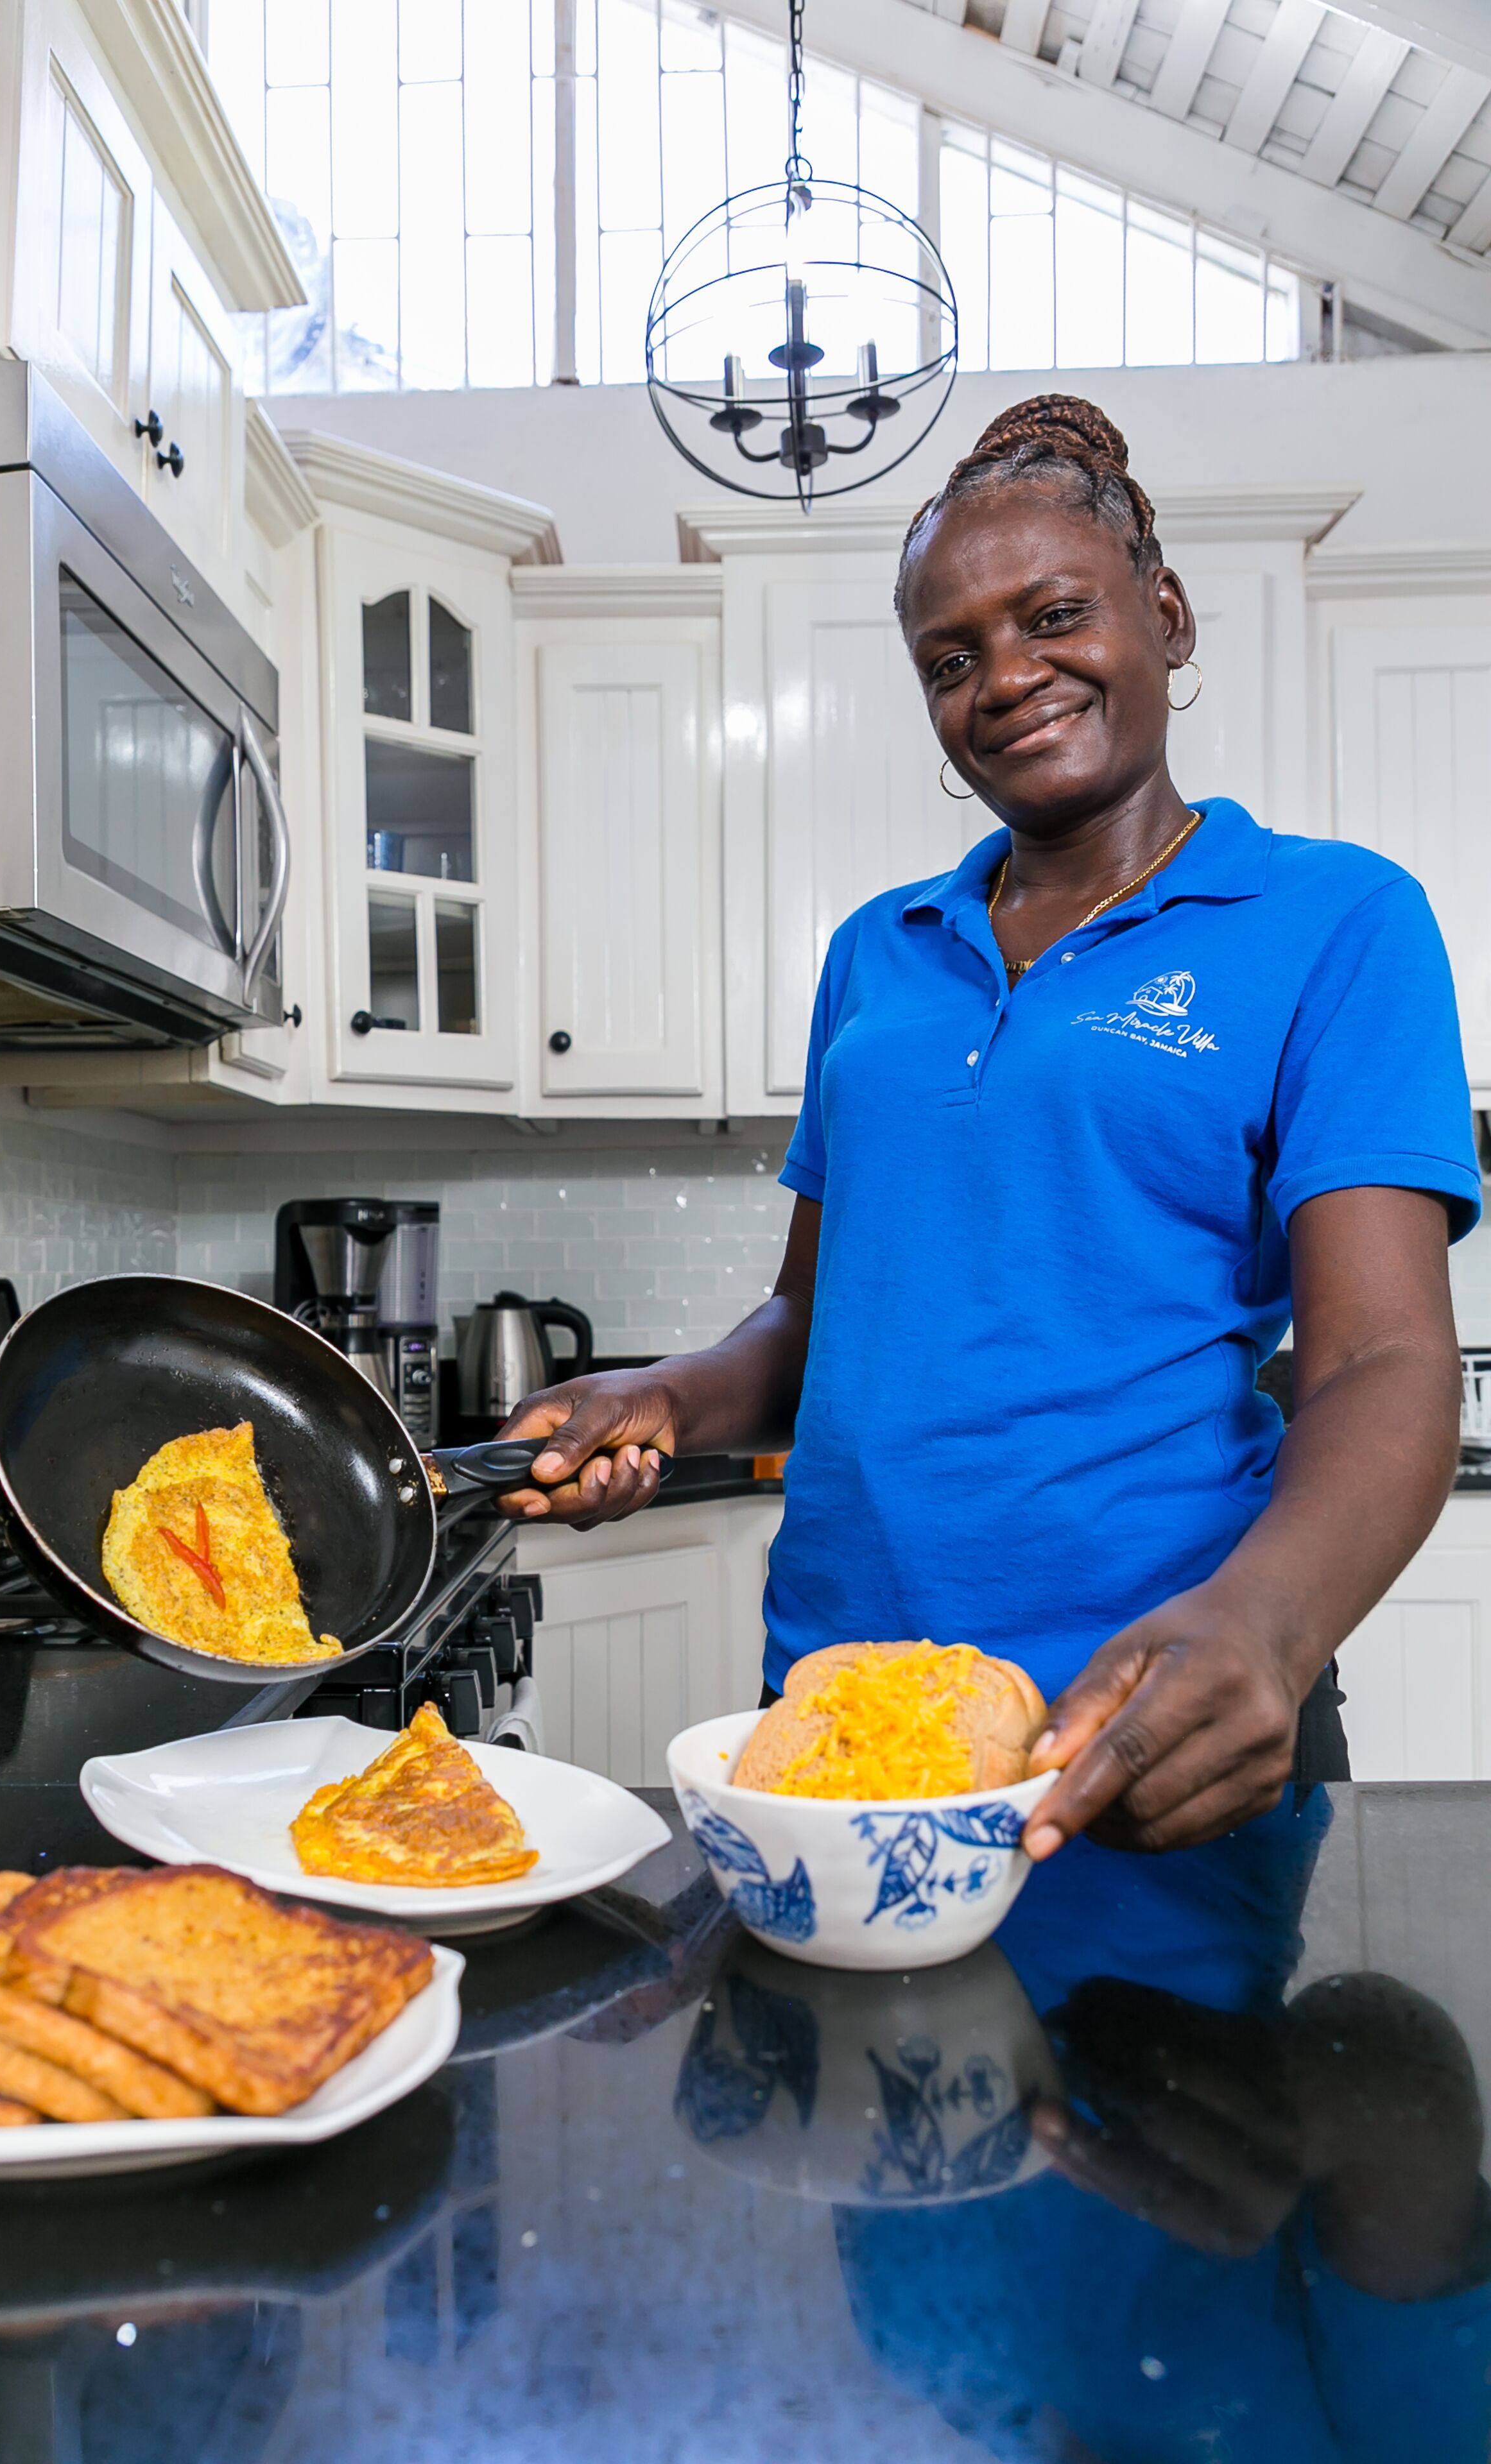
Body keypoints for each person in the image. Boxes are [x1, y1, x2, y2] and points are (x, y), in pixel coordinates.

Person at [496, 394, 1479, 1860]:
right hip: (838, 1701)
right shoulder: (876, 955)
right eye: (949, 659)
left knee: (1161, 2088)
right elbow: (808, 1323)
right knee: (845, 2090)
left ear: (1165, 615)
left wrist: (1263, 1630)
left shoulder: (1335, 922)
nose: (1003, 677)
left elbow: (1383, 1357)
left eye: (1053, 615)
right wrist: (662, 1399)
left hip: (1146, 1706)